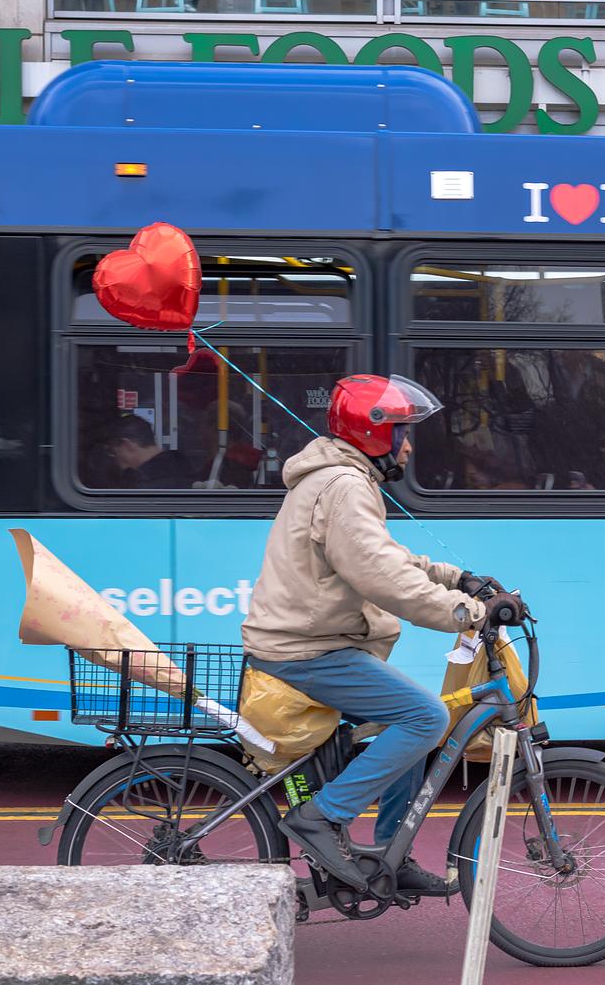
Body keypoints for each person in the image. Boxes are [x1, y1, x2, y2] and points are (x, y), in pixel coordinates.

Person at [241, 373, 523, 895]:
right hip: (305, 651)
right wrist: (469, 612)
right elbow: (384, 579)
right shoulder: (343, 486)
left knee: (406, 720)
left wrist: (456, 578)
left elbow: (387, 557)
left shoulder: (343, 480)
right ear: (373, 432)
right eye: (402, 432)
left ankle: (391, 854)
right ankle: (321, 818)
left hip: (312, 643)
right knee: (425, 716)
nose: (408, 445)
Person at [104, 414, 197, 488]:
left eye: (113, 452)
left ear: (127, 445)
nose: (115, 459)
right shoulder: (187, 470)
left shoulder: (143, 485)